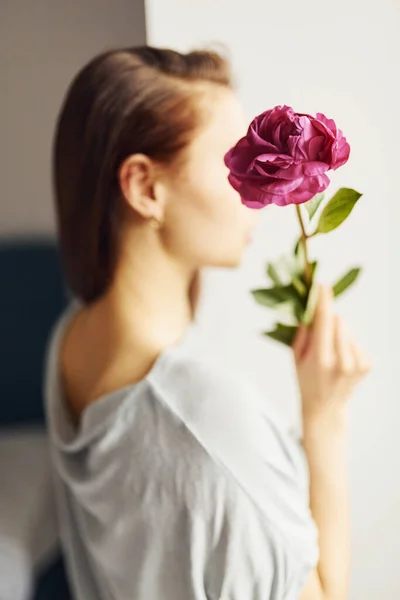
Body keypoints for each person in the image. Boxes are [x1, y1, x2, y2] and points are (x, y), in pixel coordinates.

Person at [44, 46, 372, 600]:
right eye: (233, 160)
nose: (258, 191)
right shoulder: (210, 427)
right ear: (147, 188)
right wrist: (324, 417)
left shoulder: (74, 336)